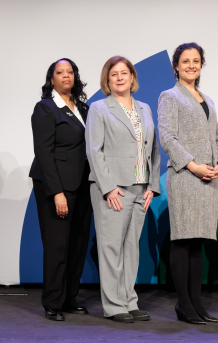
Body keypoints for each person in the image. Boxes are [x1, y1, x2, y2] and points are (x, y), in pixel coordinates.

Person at [86, 56, 161, 323]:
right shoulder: (99, 108)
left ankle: (129, 301)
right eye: (113, 74)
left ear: (132, 77)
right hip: (113, 190)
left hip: (141, 189)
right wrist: (108, 188)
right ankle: (114, 305)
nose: (119, 77)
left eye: (124, 73)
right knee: (111, 248)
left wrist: (153, 185)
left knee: (132, 250)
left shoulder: (145, 108)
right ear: (107, 80)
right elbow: (94, 151)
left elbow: (153, 150)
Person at [157, 42, 218, 325]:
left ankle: (197, 302)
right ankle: (183, 304)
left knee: (198, 242)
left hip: (208, 179)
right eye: (185, 61)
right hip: (187, 176)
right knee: (183, 240)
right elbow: (167, 138)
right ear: (176, 66)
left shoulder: (207, 99)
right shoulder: (170, 96)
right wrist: (194, 165)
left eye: (196, 61)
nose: (191, 65)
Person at [29, 58, 92, 321]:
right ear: (52, 79)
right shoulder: (45, 108)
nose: (66, 75)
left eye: (70, 72)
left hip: (82, 184)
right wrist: (57, 193)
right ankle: (52, 301)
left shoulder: (85, 109)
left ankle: (69, 298)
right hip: (55, 185)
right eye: (60, 72)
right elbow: (44, 152)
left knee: (77, 245)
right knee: (57, 246)